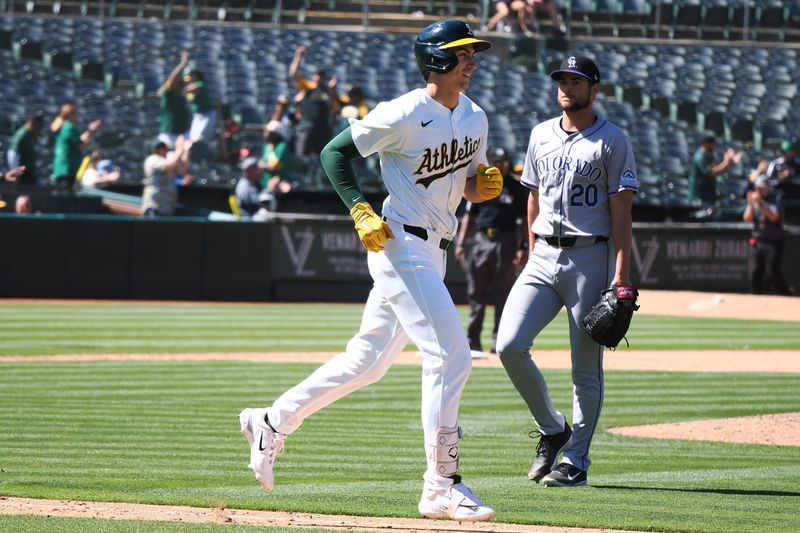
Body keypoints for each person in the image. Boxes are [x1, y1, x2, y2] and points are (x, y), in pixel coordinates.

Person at [238, 20, 502, 522]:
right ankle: (441, 485)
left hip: (436, 251)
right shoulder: (402, 112)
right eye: (462, 53)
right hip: (400, 244)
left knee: (368, 362)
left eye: (473, 53)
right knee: (450, 357)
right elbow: (333, 152)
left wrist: (479, 186)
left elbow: (468, 180)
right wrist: (360, 207)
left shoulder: (474, 116)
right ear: (436, 60)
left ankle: (272, 420)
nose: (471, 61)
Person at [495, 56, 639, 488]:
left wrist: (621, 274)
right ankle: (553, 428)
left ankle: (575, 461)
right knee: (508, 344)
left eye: (576, 81)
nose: (566, 86)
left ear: (595, 90)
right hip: (543, 255)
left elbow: (622, 212)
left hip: (589, 257)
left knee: (585, 368)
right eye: (562, 79)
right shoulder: (540, 134)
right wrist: (532, 248)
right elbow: (532, 199)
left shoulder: (612, 140)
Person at [454, 146, 528, 357]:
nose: (501, 165)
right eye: (497, 161)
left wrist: (523, 246)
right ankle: (473, 340)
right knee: (476, 293)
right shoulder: (482, 183)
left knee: (503, 294)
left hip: (506, 241)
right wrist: (460, 243)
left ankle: (499, 340)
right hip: (482, 239)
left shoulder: (515, 187)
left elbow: (525, 219)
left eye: (504, 161)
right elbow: (470, 216)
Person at [743, 176, 791, 295]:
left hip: (774, 242)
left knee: (772, 272)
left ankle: (787, 295)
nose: (760, 190)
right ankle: (756, 298)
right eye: (758, 187)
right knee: (754, 272)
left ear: (768, 187)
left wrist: (759, 204)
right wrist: (750, 204)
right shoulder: (755, 199)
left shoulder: (776, 197)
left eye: (762, 187)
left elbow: (774, 216)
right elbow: (747, 219)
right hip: (757, 240)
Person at [289, 45, 338, 160]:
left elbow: (335, 109)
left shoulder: (328, 91)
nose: (319, 77)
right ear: (313, 76)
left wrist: (333, 91)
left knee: (323, 157)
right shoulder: (308, 87)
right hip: (308, 127)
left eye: (321, 75)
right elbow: (293, 74)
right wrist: (298, 56)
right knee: (302, 155)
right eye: (317, 75)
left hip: (323, 128)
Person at [50, 103, 103, 191]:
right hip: (67, 170)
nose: (78, 115)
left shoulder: (64, 126)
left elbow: (78, 140)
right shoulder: (69, 127)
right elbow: (81, 146)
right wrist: (90, 132)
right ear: (71, 114)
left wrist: (90, 130)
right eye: (76, 113)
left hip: (61, 170)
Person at [687, 134, 741, 218]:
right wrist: (726, 161)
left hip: (708, 199)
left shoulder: (709, 157)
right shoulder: (700, 156)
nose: (715, 146)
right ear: (706, 143)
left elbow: (719, 170)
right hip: (699, 200)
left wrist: (729, 161)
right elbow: (712, 172)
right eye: (713, 144)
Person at [141, 136, 193, 217]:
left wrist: (186, 151)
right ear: (156, 150)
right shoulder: (152, 159)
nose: (166, 150)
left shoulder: (166, 160)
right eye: (163, 148)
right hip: (154, 209)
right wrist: (179, 149)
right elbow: (169, 165)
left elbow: (183, 169)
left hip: (167, 210)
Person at [157, 51, 192, 149]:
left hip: (182, 135)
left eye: (183, 82)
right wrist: (182, 65)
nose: (182, 84)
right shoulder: (168, 94)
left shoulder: (184, 97)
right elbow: (171, 81)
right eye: (180, 82)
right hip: (168, 136)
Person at [7, 113, 43, 185]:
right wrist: (15, 171)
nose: (39, 126)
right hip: (22, 173)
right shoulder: (22, 134)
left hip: (30, 172)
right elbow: (13, 153)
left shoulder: (31, 133)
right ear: (31, 122)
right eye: (36, 123)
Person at [183, 67, 217, 145]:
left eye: (191, 75)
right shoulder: (190, 85)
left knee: (200, 139)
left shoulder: (200, 83)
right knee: (192, 138)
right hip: (198, 116)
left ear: (196, 76)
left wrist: (181, 85)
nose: (189, 77)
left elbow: (188, 89)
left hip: (207, 115)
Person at [259, 120, 294, 188]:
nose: (265, 134)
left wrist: (261, 165)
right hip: (265, 185)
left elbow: (274, 167)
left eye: (269, 132)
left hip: (279, 187)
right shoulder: (266, 147)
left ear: (276, 134)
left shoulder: (283, 147)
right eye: (265, 131)